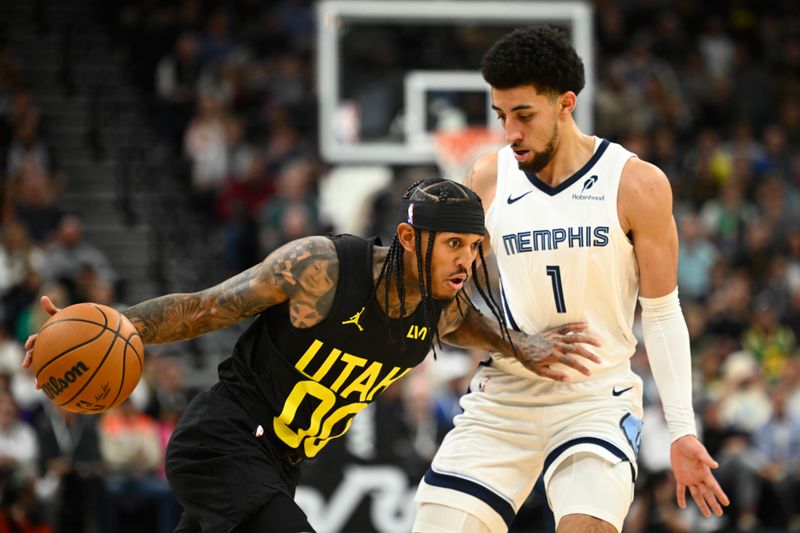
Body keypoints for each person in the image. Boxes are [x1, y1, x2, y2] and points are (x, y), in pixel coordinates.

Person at [23, 178, 600, 533]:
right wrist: (114, 325)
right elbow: (203, 308)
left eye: (474, 249)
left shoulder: (439, 308)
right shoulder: (321, 269)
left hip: (278, 466)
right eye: (453, 244)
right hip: (225, 441)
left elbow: (469, 324)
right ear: (406, 238)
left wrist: (519, 343)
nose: (465, 262)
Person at [413, 27, 730, 533]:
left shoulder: (636, 183)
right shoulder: (488, 178)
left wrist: (681, 430)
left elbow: (664, 312)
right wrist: (512, 342)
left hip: (595, 397)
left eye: (524, 115)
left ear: (565, 103)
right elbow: (447, 303)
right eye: (501, 117)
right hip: (504, 394)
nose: (510, 131)